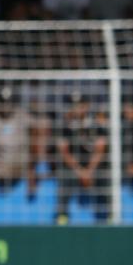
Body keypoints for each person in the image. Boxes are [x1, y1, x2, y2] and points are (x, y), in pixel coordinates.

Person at [54, 93, 108, 223]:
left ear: (87, 106)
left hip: (93, 168)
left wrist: (89, 171)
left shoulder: (96, 123)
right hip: (74, 168)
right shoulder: (65, 125)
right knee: (64, 178)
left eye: (81, 105)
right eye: (74, 105)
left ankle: (107, 218)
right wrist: (80, 172)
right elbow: (64, 151)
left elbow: (100, 149)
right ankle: (62, 218)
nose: (77, 108)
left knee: (105, 178)